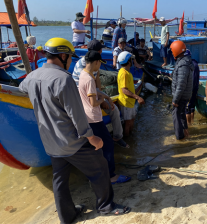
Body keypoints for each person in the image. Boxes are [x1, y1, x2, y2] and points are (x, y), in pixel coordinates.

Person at [19, 38, 131, 224]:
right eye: (70, 57)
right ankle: (106, 206)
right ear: (63, 56)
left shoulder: (31, 76)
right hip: (71, 142)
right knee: (100, 167)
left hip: (50, 141)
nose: (71, 61)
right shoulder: (63, 79)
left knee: (60, 180)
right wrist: (91, 137)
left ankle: (67, 215)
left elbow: (21, 92)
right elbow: (76, 114)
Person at [78, 50, 131, 184]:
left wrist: (106, 96)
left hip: (85, 116)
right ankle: (110, 175)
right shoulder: (90, 79)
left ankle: (94, 175)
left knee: (94, 147)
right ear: (96, 62)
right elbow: (93, 102)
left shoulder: (83, 74)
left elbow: (94, 91)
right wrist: (103, 101)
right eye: (99, 64)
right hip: (94, 118)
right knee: (107, 145)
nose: (99, 67)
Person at [72, 40, 128, 148]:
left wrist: (103, 96)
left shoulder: (95, 63)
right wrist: (101, 101)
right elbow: (84, 88)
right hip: (82, 96)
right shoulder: (82, 65)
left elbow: (97, 82)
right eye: (101, 50)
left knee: (114, 109)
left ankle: (117, 136)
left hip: (93, 94)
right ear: (98, 51)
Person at [117, 51, 145, 137]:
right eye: (132, 60)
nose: (133, 61)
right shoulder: (124, 73)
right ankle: (127, 140)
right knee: (128, 123)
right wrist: (137, 97)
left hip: (130, 102)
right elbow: (124, 90)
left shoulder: (127, 72)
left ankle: (132, 138)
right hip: (126, 102)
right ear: (129, 61)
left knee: (132, 120)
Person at [170, 40, 194, 140]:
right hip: (183, 95)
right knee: (181, 113)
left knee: (175, 115)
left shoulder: (183, 64)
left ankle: (180, 138)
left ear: (176, 50)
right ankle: (185, 131)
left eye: (172, 50)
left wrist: (175, 100)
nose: (171, 52)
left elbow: (181, 84)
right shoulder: (183, 61)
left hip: (181, 95)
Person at [186, 58, 200, 125]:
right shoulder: (196, 63)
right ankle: (192, 122)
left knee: (187, 108)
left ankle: (188, 125)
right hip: (195, 88)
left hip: (189, 89)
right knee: (192, 106)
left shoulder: (189, 64)